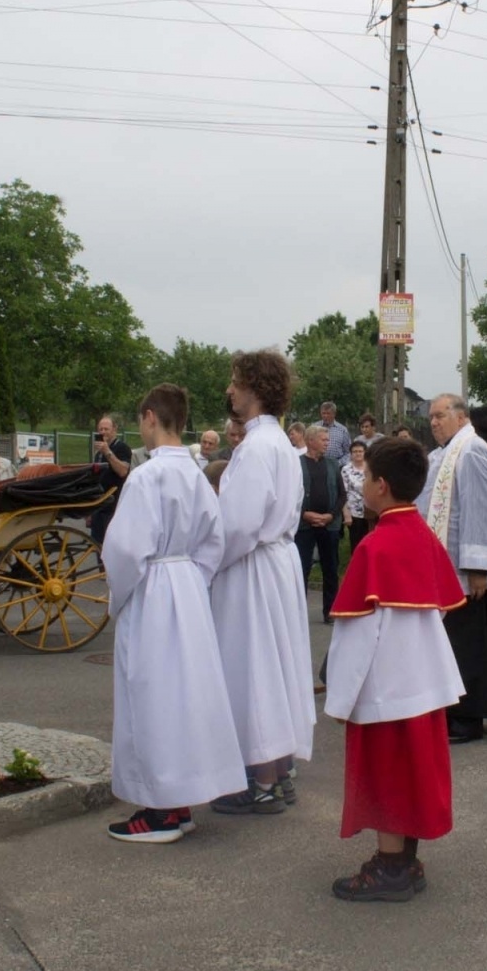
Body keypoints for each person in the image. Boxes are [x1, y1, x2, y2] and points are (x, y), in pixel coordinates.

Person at [102, 384, 247, 844]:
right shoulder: (196, 474)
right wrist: (192, 579)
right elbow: (214, 540)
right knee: (184, 697)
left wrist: (119, 596)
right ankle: (178, 800)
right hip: (187, 587)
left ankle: (160, 811)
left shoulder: (146, 476)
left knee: (152, 695)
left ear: (149, 417)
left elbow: (126, 551)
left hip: (153, 589)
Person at [325, 437, 467, 902]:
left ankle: (389, 869)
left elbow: (357, 634)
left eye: (366, 477)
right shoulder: (424, 537)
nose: (363, 483)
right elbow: (437, 609)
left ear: (381, 486)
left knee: (386, 771)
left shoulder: (374, 546)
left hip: (384, 683)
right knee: (414, 770)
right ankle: (406, 861)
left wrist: (341, 696)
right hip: (425, 678)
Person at [210, 350, 315, 814]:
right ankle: (279, 771)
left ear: (255, 387)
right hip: (276, 563)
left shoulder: (255, 448)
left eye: (235, 382)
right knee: (275, 667)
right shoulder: (279, 444)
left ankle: (263, 783)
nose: (229, 390)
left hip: (252, 568)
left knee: (255, 669)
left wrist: (206, 562)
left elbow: (238, 525)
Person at [416, 394, 487, 744]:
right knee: (453, 644)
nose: (433, 422)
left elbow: (479, 509)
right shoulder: (442, 455)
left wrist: (477, 567)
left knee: (468, 646)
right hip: (446, 567)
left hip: (466, 572)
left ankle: (467, 718)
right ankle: (451, 711)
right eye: (431, 417)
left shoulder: (471, 450)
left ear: (461, 418)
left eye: (440, 415)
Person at [296, 424, 348, 624]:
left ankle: (330, 611)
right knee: (301, 569)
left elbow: (342, 495)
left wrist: (330, 515)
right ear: (310, 441)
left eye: (328, 440)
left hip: (329, 524)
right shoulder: (297, 464)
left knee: (330, 568)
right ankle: (298, 613)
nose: (327, 443)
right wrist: (304, 514)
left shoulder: (333, 464)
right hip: (304, 525)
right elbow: (291, 493)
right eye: (324, 440)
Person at [89, 414, 133, 549]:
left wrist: (108, 452)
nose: (103, 432)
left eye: (106, 429)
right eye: (100, 429)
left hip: (114, 506)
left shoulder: (122, 448)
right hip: (99, 505)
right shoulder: (98, 454)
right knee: (97, 546)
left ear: (114, 429)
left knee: (111, 547)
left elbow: (123, 471)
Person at [341, 438, 370, 552]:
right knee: (356, 542)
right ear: (351, 454)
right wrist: (346, 514)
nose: (358, 454)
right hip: (354, 512)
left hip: (371, 511)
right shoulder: (346, 470)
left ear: (365, 452)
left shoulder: (372, 468)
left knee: (371, 541)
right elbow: (343, 492)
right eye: (355, 451)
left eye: (360, 451)